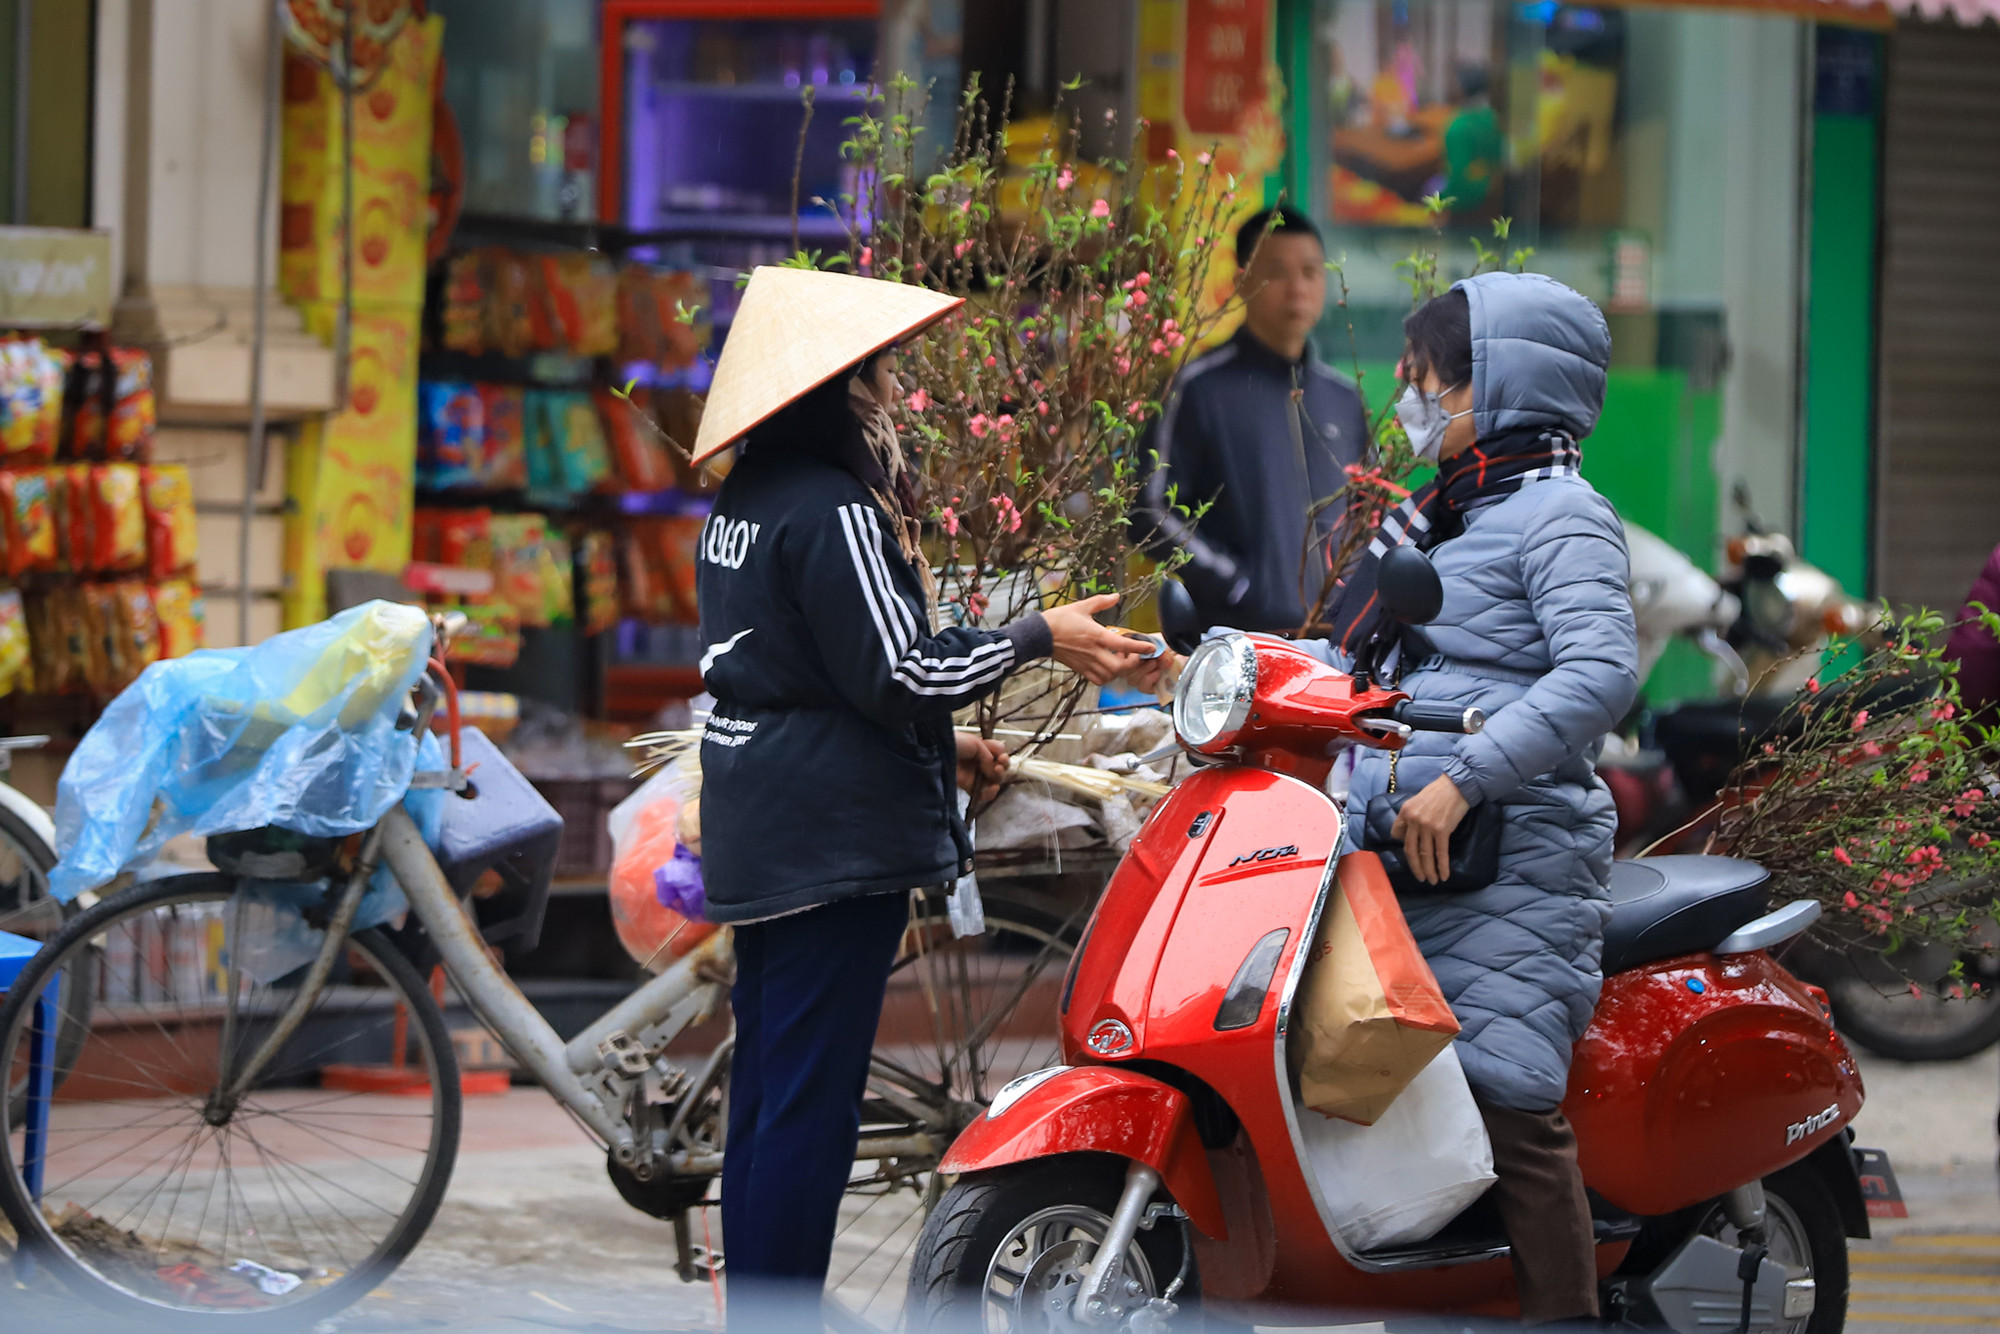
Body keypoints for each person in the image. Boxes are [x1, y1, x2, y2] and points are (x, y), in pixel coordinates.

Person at [687, 266, 1158, 1326]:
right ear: (834, 390)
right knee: (804, 1111)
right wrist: (1041, 631)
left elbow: (796, 667)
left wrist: (946, 751)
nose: (891, 397)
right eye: (878, 377)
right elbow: (899, 670)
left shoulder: (748, 498)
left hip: (764, 821)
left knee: (768, 1096)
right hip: (823, 844)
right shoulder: (833, 507)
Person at [1318, 272, 1637, 1325]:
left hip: (1511, 854)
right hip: (1399, 844)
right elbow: (1347, 653)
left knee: (1504, 1098)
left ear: (1497, 385)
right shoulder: (1442, 518)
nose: (1411, 402)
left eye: (1429, 381)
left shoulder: (1562, 515)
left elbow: (1597, 675)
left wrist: (1460, 777)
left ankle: (1561, 1313)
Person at [1131, 206, 1368, 635]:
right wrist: (1237, 584)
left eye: (1311, 272)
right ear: (1241, 282)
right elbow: (1146, 507)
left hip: (1339, 644)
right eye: (1277, 271)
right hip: (1237, 642)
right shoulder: (1196, 388)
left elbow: (1367, 512)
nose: (1297, 288)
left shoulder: (1344, 398)